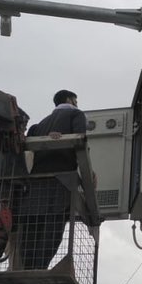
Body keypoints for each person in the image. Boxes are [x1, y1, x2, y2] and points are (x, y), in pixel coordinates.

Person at [17, 89, 87, 270]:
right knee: (52, 231)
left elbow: (26, 147)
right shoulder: (76, 115)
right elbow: (81, 142)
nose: (77, 104)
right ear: (70, 99)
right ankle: (40, 269)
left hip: (36, 186)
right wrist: (88, 172)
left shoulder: (38, 126)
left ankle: (28, 269)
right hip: (61, 183)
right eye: (76, 100)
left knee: (32, 229)